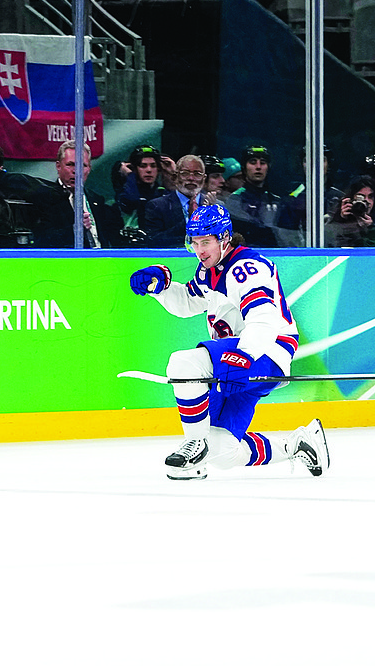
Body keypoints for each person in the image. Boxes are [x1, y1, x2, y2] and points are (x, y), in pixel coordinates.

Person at [129, 204, 329, 481]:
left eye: (206, 242)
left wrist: (243, 357)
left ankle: (194, 447)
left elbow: (264, 320)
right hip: (236, 360)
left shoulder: (246, 268)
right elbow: (188, 303)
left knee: (184, 363)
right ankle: (297, 444)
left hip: (264, 351)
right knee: (222, 452)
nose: (200, 250)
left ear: (224, 238)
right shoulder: (207, 270)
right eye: (195, 243)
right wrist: (159, 288)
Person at [42, 141, 122, 248]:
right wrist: (74, 229)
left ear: (89, 169)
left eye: (82, 166)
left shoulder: (97, 200)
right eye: (70, 165)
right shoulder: (45, 199)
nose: (76, 171)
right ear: (58, 166)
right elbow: (42, 239)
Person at [142, 154, 209, 247]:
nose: (191, 178)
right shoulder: (157, 206)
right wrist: (190, 221)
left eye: (197, 174)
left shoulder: (216, 206)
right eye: (185, 173)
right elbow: (154, 241)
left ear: (204, 179)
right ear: (174, 177)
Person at [222, 144, 282, 247]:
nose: (258, 167)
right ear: (244, 168)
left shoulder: (276, 201)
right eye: (253, 162)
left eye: (263, 163)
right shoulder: (235, 200)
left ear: (268, 167)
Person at [115, 144, 167, 228]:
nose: (149, 170)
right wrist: (130, 176)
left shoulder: (162, 192)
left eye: (153, 166)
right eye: (143, 166)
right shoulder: (126, 192)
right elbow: (131, 202)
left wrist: (173, 174)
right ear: (134, 168)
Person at [326, 175, 375, 247]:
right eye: (360, 197)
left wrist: (371, 229)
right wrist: (341, 221)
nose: (366, 201)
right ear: (350, 199)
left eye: (370, 196)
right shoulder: (333, 221)